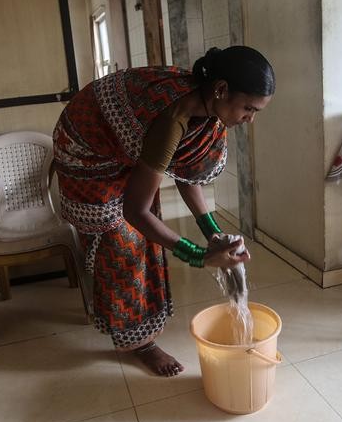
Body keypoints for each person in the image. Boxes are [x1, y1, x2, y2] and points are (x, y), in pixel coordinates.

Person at [52, 46, 275, 376]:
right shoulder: (172, 120)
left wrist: (212, 233)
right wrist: (198, 256)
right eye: (248, 108)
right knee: (124, 243)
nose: (250, 119)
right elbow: (136, 211)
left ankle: (142, 326)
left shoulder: (207, 106)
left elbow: (186, 173)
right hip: (88, 152)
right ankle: (138, 343)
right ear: (221, 89)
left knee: (149, 235)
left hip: (122, 147)